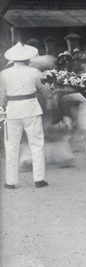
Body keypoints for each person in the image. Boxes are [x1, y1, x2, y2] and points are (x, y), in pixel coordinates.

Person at [0, 42, 50, 189]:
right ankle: (39, 179)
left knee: (11, 146)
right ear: (28, 58)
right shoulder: (34, 72)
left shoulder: (3, 74)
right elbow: (45, 90)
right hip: (31, 109)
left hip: (12, 111)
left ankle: (10, 181)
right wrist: (47, 100)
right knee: (36, 144)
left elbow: (0, 95)